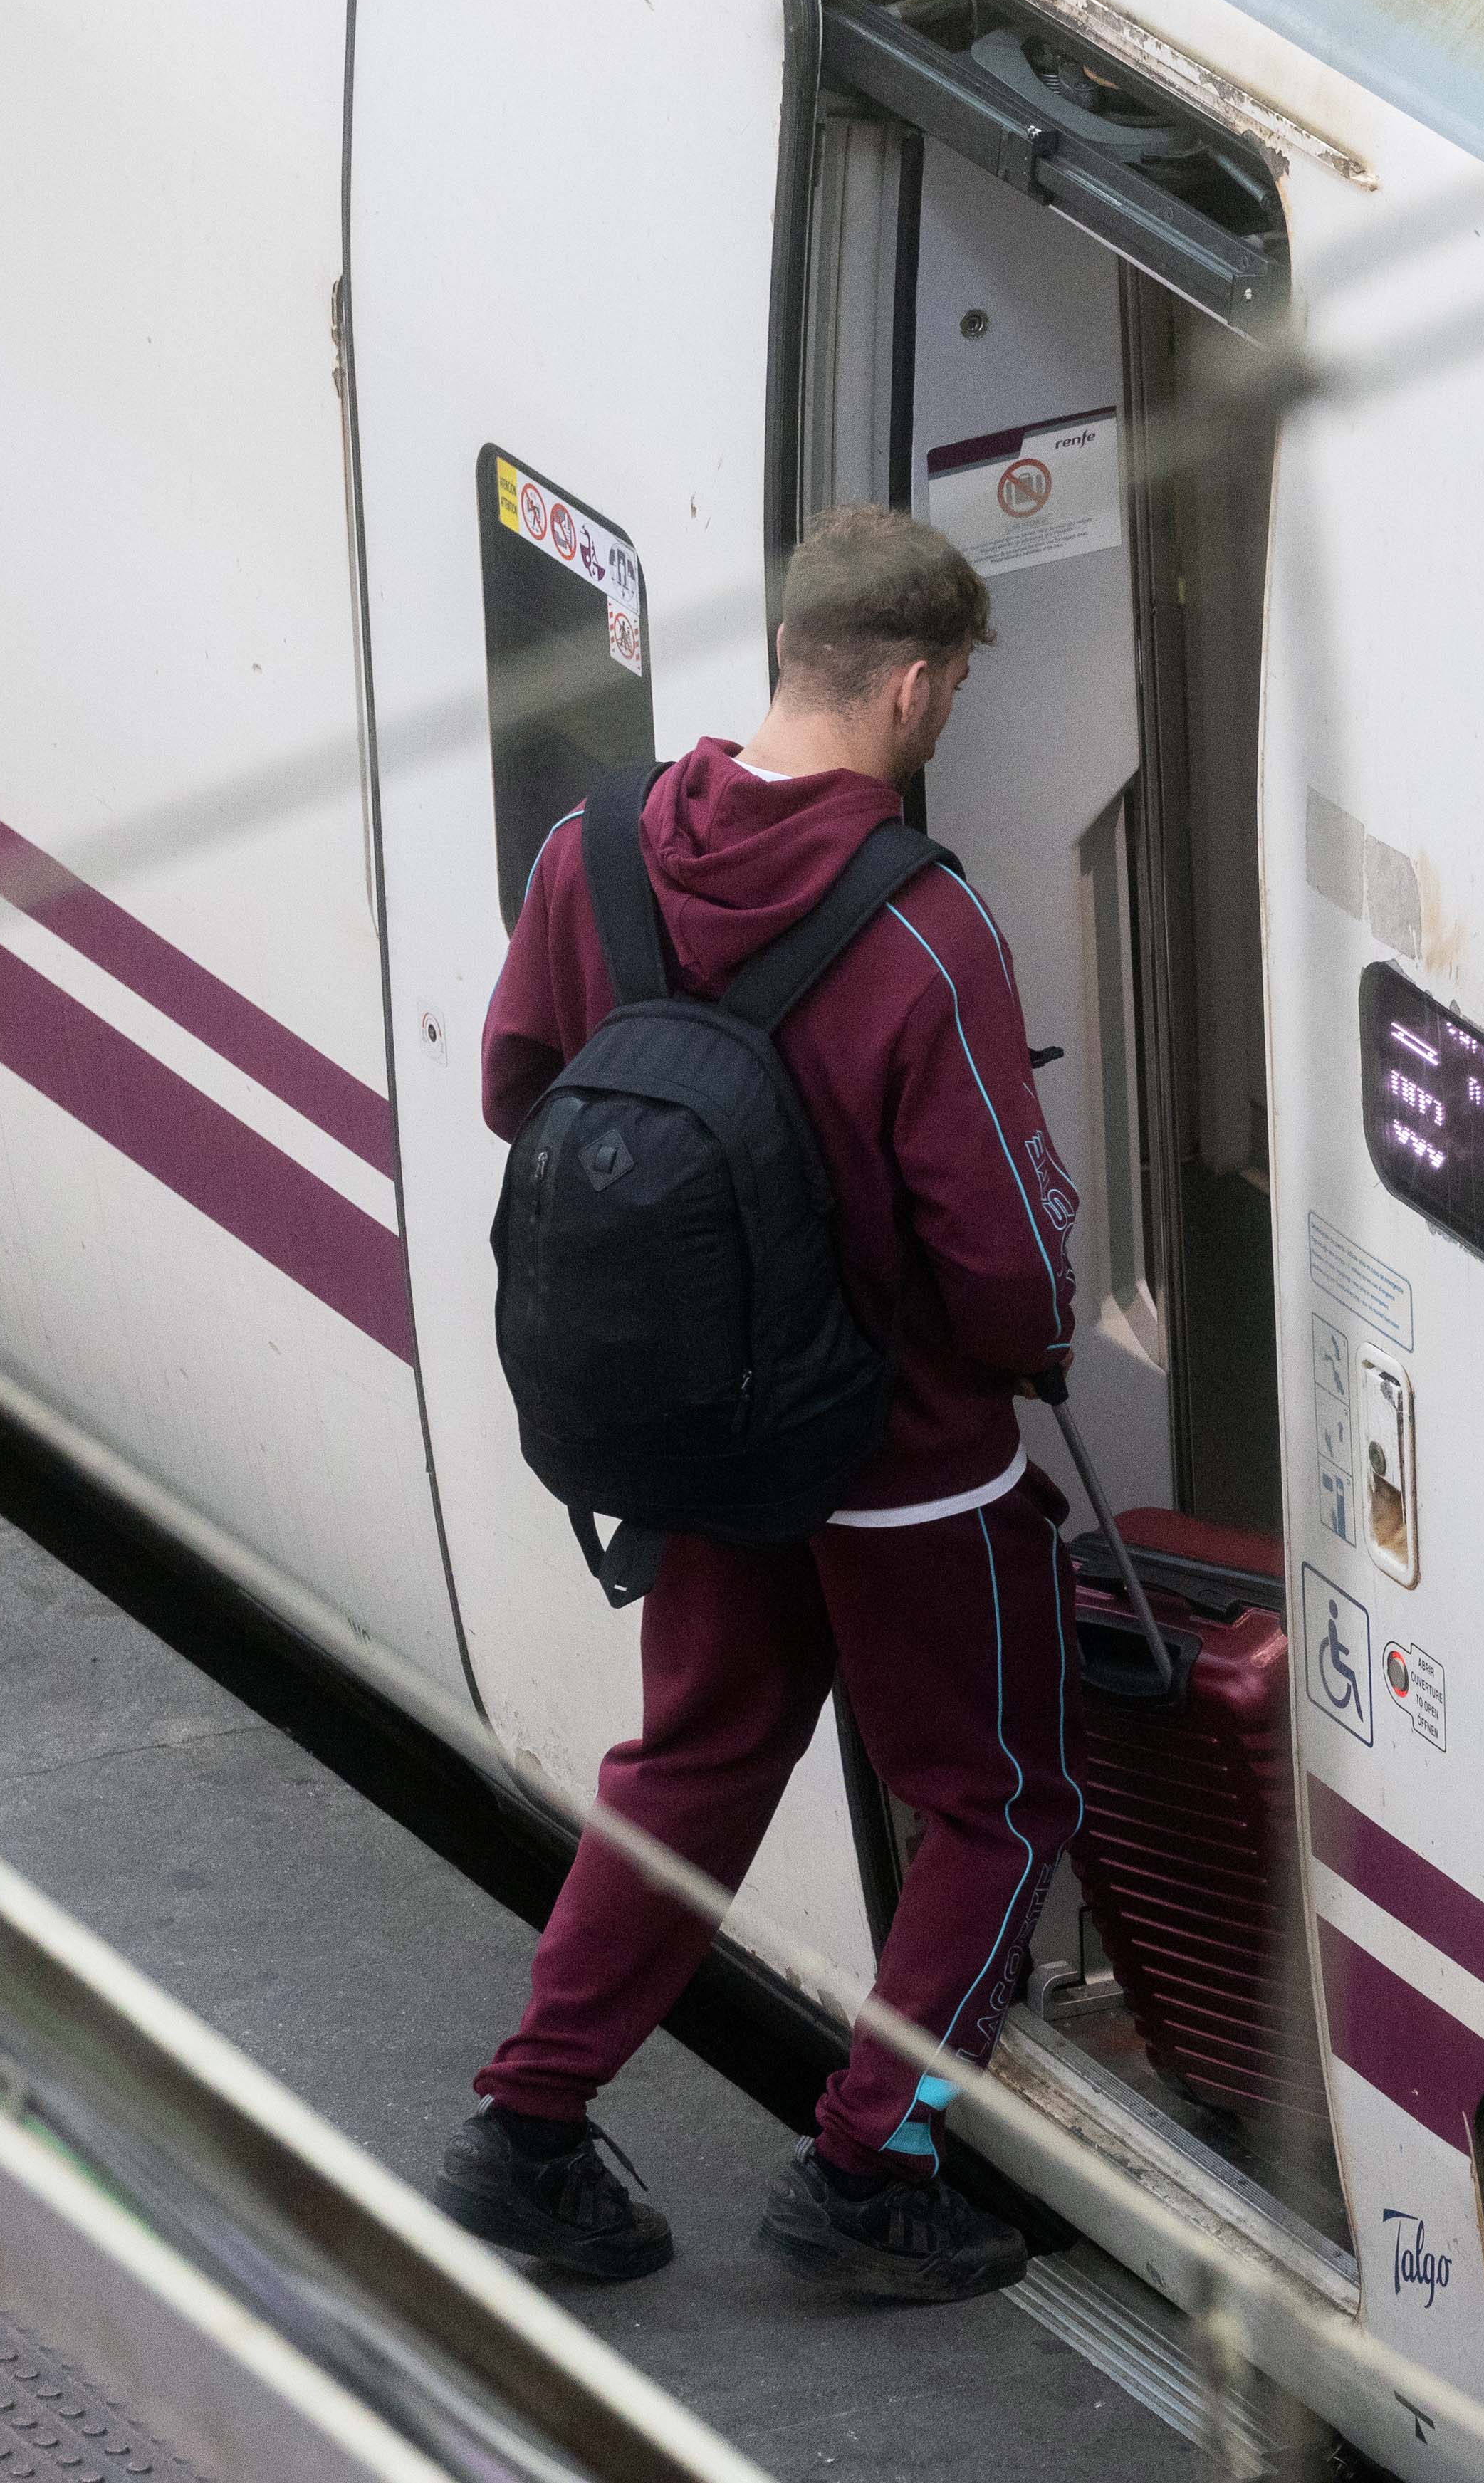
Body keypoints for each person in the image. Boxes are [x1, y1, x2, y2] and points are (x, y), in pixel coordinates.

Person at [433, 506, 1085, 2304]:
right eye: (949, 686)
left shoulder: (596, 853)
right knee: (1002, 1804)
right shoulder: (928, 930)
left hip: (700, 1440)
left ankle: (531, 2119)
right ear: (909, 681)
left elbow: (519, 1090)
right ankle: (883, 2153)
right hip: (902, 1474)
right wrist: (1024, 1332)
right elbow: (1010, 1264)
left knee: (698, 1768)